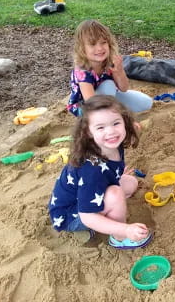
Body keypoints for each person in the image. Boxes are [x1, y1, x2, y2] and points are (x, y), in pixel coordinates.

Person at [48, 95, 152, 249]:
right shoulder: (92, 170)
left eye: (116, 123)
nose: (111, 132)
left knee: (131, 183)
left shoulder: (111, 144)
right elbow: (87, 216)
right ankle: (119, 238)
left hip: (86, 193)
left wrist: (116, 174)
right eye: (100, 127)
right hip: (72, 216)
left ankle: (110, 207)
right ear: (88, 132)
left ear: (125, 122)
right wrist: (126, 229)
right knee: (116, 193)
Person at [67, 19, 153, 117]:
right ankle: (109, 116)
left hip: (109, 96)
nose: (99, 48)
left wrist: (119, 71)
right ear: (82, 49)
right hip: (86, 107)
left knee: (146, 103)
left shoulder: (109, 62)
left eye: (103, 42)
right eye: (93, 44)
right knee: (108, 85)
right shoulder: (83, 71)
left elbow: (124, 88)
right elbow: (91, 102)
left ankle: (112, 109)